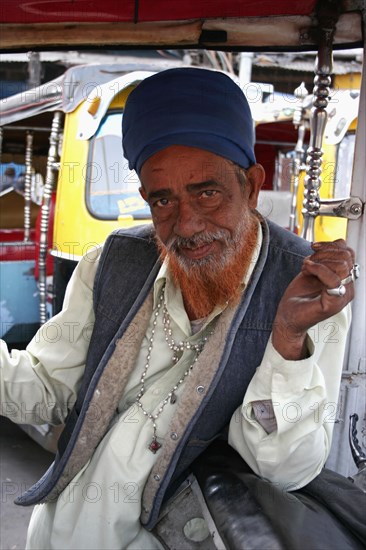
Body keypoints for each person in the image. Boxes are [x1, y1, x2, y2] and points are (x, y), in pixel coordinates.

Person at [0, 68, 357, 549]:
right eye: (163, 200)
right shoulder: (111, 265)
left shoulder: (307, 290)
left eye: (207, 193)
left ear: (251, 186)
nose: (186, 225)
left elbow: (286, 469)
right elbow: (47, 389)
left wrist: (288, 339)